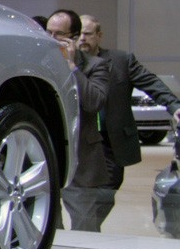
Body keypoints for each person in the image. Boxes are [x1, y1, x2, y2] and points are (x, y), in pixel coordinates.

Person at [77, 14, 180, 228]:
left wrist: (174, 105)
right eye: (78, 34)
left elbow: (150, 82)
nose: (82, 39)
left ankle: (85, 231)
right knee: (80, 196)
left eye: (87, 34)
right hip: (79, 140)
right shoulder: (67, 63)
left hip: (110, 141)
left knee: (107, 192)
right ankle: (85, 232)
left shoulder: (121, 60)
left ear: (99, 35)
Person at [45, 10, 111, 230]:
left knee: (86, 231)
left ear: (73, 37)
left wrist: (72, 67)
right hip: (48, 162)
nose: (51, 39)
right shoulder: (40, 63)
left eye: (59, 34)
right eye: (48, 32)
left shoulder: (96, 65)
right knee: (46, 229)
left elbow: (94, 102)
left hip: (83, 164)